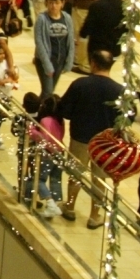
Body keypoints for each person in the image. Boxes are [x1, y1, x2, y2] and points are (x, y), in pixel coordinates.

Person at [58, 48, 125, 227]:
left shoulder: (80, 84)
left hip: (80, 137)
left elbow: (65, 110)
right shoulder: (119, 91)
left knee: (75, 174)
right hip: (105, 143)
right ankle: (95, 215)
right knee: (99, 179)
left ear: (93, 63)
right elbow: (125, 120)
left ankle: (70, 206)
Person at [33, 0, 75, 100]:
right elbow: (39, 42)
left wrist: (69, 61)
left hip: (59, 60)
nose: (53, 6)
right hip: (45, 61)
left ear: (62, 3)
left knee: (49, 91)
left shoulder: (67, 18)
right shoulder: (42, 19)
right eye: (50, 3)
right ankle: (43, 115)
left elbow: (70, 40)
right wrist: (47, 65)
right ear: (46, 3)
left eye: (56, 3)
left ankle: (35, 108)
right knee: (48, 92)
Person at [79, 0, 125, 68]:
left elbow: (88, 25)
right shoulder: (123, 6)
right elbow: (125, 28)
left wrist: (82, 35)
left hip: (97, 47)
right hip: (114, 47)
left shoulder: (96, 5)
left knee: (96, 71)